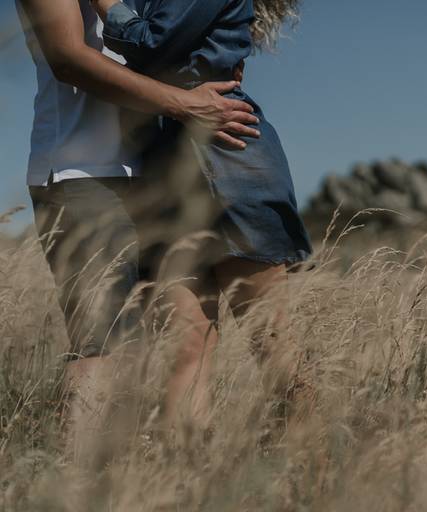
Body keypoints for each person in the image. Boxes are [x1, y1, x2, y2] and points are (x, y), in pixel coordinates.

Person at [16, 0, 259, 463]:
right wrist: (186, 102)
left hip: (163, 170)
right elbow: (68, 58)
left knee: (185, 336)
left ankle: (170, 481)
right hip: (84, 174)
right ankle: (75, 489)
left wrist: (214, 61)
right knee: (102, 342)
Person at [88, 0, 314, 425]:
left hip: (226, 161)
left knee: (269, 339)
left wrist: (105, 3)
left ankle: (316, 474)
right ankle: (189, 485)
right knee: (187, 346)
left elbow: (151, 44)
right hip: (165, 167)